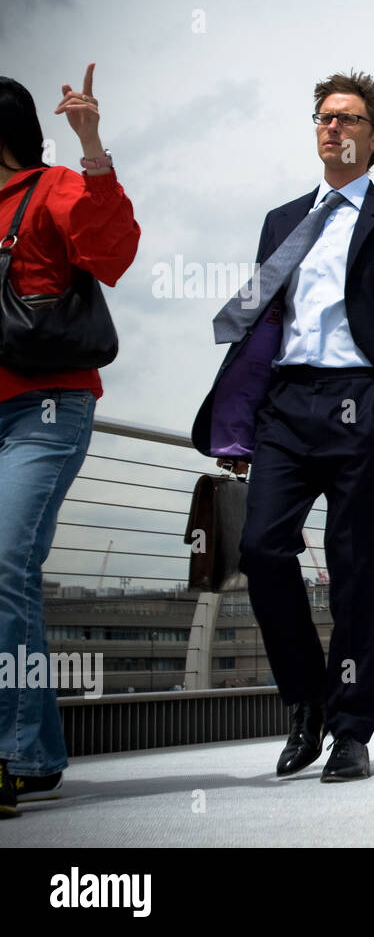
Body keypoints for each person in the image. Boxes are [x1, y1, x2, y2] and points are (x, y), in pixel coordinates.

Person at [193, 72, 374, 781]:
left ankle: (351, 731)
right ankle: (306, 698)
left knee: (353, 575)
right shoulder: (282, 221)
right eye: (323, 117)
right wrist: (240, 421)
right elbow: (259, 326)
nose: (332, 128)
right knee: (262, 549)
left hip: (360, 404)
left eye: (348, 118)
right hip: (286, 405)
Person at [0, 65, 140, 818]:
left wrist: (90, 147)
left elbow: (112, 255)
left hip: (41, 409)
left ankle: (17, 752)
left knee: (4, 562)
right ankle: (36, 748)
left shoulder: (49, 187)